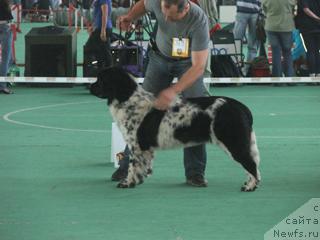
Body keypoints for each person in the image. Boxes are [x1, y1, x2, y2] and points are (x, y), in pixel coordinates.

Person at [112, 0, 210, 187]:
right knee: (140, 112)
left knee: (194, 112)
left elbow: (198, 67)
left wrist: (173, 91)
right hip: (158, 59)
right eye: (163, 12)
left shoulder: (199, 20)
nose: (165, 18)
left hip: (188, 64)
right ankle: (126, 166)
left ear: (185, 8)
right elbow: (143, 5)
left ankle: (195, 172)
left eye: (171, 16)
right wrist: (130, 16)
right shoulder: (159, 2)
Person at [262, 0, 295, 77]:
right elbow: (294, 8)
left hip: (271, 26)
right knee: (287, 52)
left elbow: (264, 9)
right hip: (286, 26)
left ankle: (277, 78)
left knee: (275, 52)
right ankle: (289, 77)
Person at [84, 0, 113, 74]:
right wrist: (93, 26)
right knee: (101, 53)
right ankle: (101, 74)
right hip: (99, 28)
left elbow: (105, 13)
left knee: (89, 49)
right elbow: (97, 14)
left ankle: (106, 74)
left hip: (102, 29)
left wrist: (103, 31)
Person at [233, 0, 261, 76]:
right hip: (254, 11)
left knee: (237, 43)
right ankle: (245, 71)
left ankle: (239, 71)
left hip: (245, 11)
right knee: (249, 45)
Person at [296, 0, 320, 77]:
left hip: (307, 28)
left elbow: (306, 9)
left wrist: (317, 18)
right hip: (317, 27)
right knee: (317, 51)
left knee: (310, 51)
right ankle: (318, 74)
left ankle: (312, 74)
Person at [0, 0, 14, 94]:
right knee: (6, 58)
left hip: (4, 26)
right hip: (4, 26)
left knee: (10, 59)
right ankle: (2, 86)